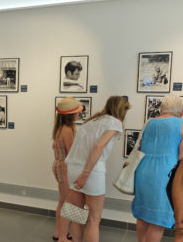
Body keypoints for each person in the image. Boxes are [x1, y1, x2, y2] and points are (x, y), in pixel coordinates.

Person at [65, 96, 130, 242]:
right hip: (92, 171)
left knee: (77, 216)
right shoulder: (115, 122)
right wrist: (86, 174)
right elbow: (98, 146)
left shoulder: (92, 121)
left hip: (73, 168)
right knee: (94, 220)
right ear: (122, 110)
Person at [132, 94, 183, 242]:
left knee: (143, 215)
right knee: (158, 220)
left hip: (143, 171)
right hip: (165, 174)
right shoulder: (180, 124)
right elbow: (181, 157)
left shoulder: (149, 122)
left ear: (162, 108)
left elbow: (140, 146)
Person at [52, 97, 83, 242]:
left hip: (59, 165)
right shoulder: (68, 130)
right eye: (77, 111)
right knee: (67, 202)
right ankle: (63, 236)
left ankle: (59, 233)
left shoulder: (60, 128)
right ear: (71, 114)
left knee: (62, 200)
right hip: (65, 167)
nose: (79, 114)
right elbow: (72, 153)